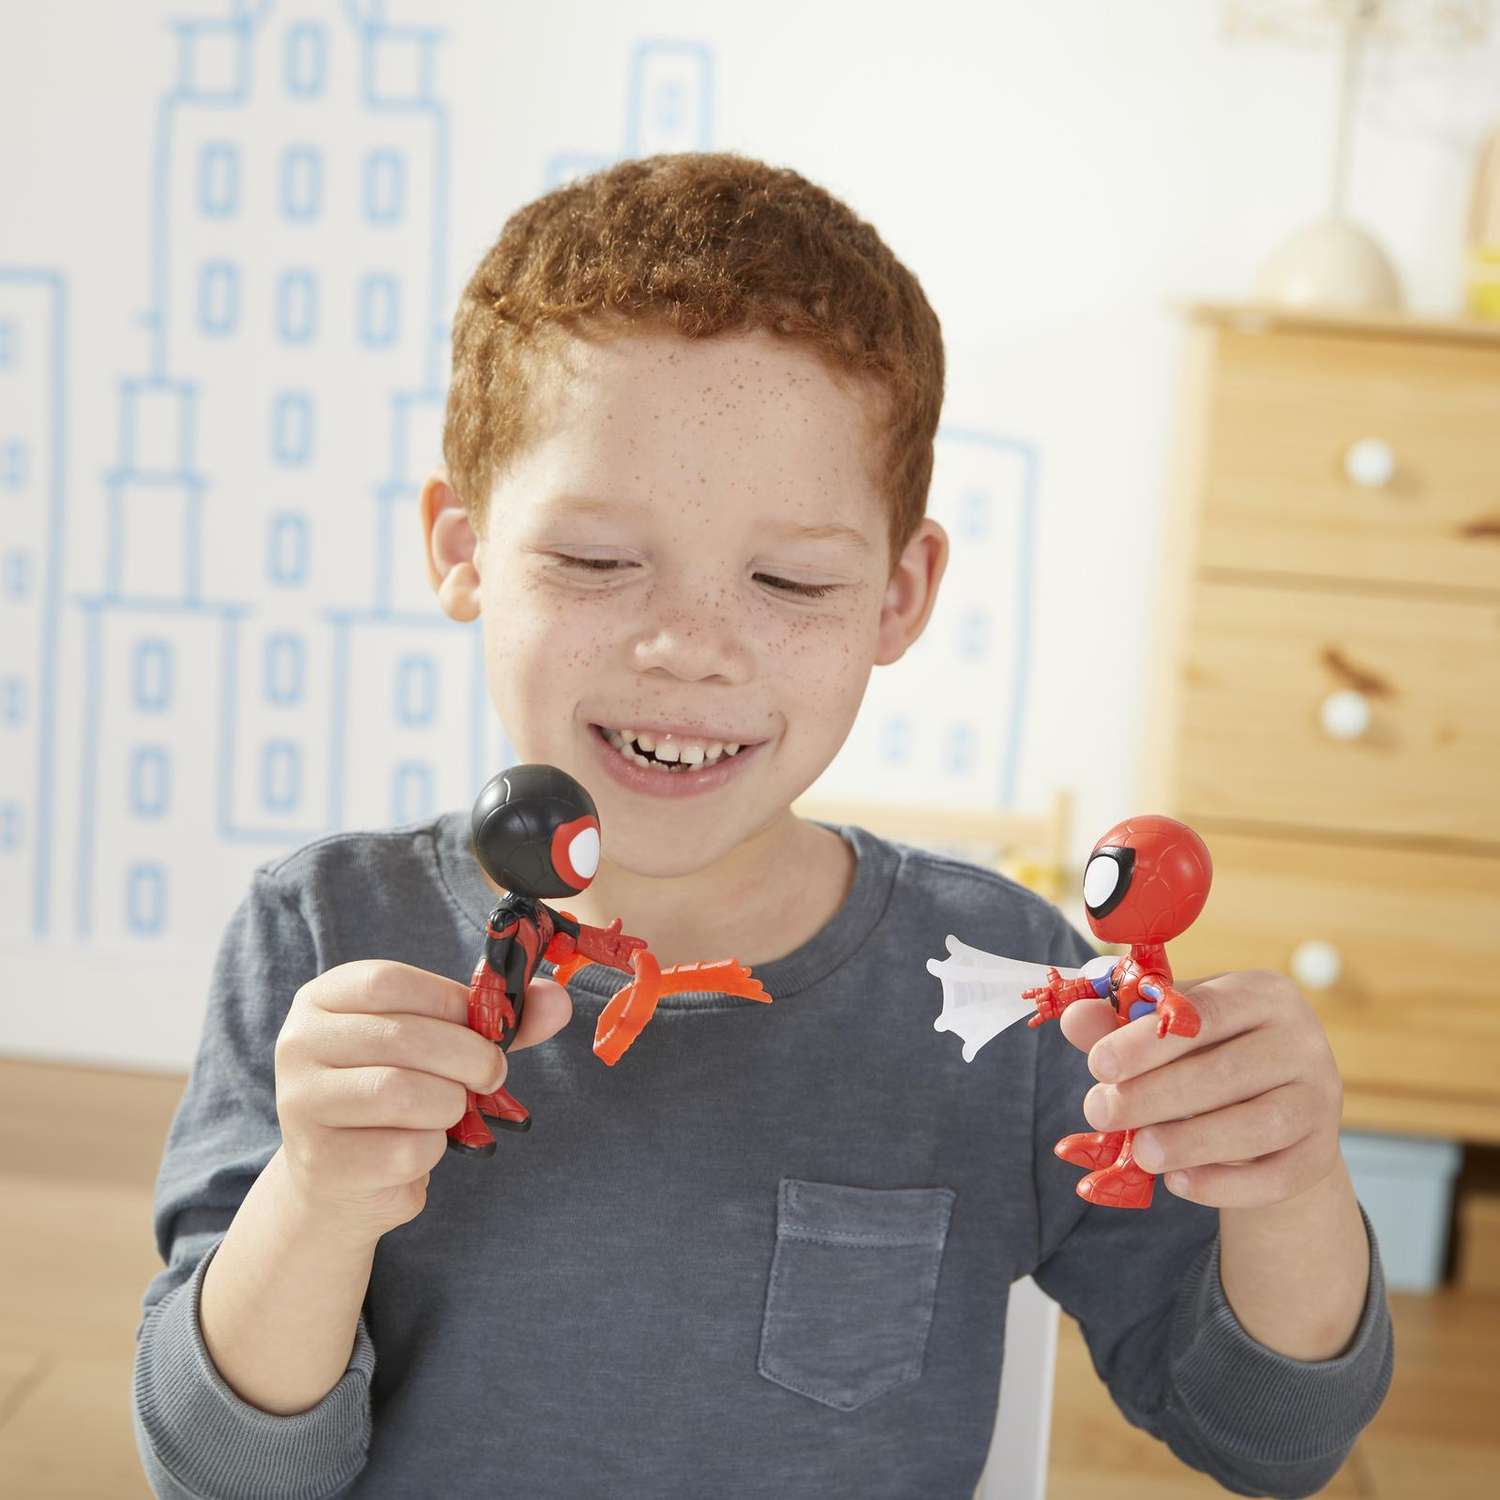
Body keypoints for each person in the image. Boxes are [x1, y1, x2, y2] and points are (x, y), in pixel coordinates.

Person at [133, 151, 1393, 1499]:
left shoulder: (1014, 991)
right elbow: (223, 1471)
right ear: (462, 547)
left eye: (790, 579)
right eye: (596, 561)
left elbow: (1268, 1435)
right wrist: (321, 1196)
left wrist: (1293, 1183)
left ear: (900, 597)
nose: (690, 648)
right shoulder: (326, 938)